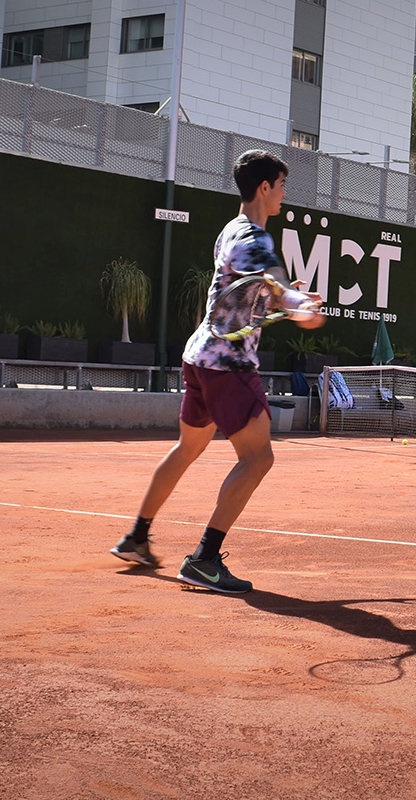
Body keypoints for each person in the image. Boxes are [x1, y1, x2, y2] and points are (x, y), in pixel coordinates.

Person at [111, 150, 326, 593]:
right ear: (264, 188)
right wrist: (299, 306)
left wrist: (284, 296)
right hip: (228, 365)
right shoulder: (258, 240)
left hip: (198, 356)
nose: (284, 193)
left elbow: (254, 290)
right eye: (281, 185)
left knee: (188, 448)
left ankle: (136, 537)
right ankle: (204, 559)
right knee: (258, 457)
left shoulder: (233, 228)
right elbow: (271, 287)